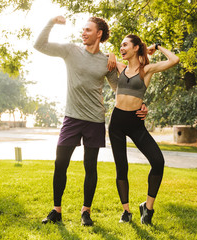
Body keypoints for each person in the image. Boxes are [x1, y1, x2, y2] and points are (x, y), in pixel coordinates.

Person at [34, 16, 148, 226]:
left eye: (88, 30)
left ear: (99, 34)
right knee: (60, 164)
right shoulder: (71, 50)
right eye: (83, 30)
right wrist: (50, 22)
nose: (83, 33)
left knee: (91, 167)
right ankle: (56, 210)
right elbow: (39, 45)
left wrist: (140, 104)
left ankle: (86, 211)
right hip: (72, 117)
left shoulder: (107, 61)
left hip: (95, 120)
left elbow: (121, 89)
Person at [108, 35, 179, 225]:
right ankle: (126, 211)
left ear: (136, 47)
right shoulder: (120, 68)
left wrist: (156, 46)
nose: (122, 48)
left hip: (135, 122)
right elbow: (105, 56)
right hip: (116, 122)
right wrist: (113, 53)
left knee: (158, 161)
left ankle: (147, 208)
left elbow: (174, 60)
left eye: (125, 45)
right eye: (121, 45)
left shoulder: (146, 70)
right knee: (121, 167)